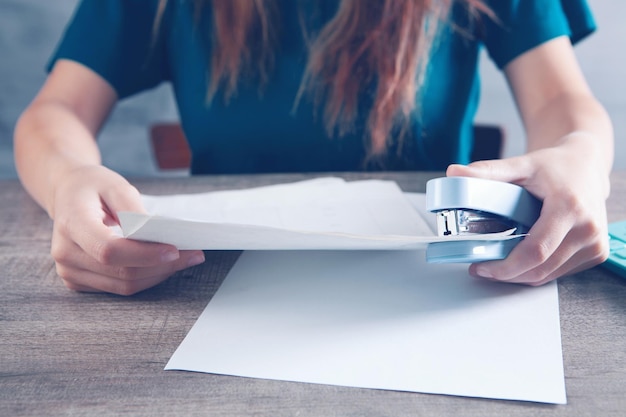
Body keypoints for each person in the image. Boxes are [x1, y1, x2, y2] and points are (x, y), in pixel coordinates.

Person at [13, 0, 613, 295]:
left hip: (443, 286)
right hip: (210, 288)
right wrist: (69, 180)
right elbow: (55, 112)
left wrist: (582, 153)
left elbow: (563, 103)